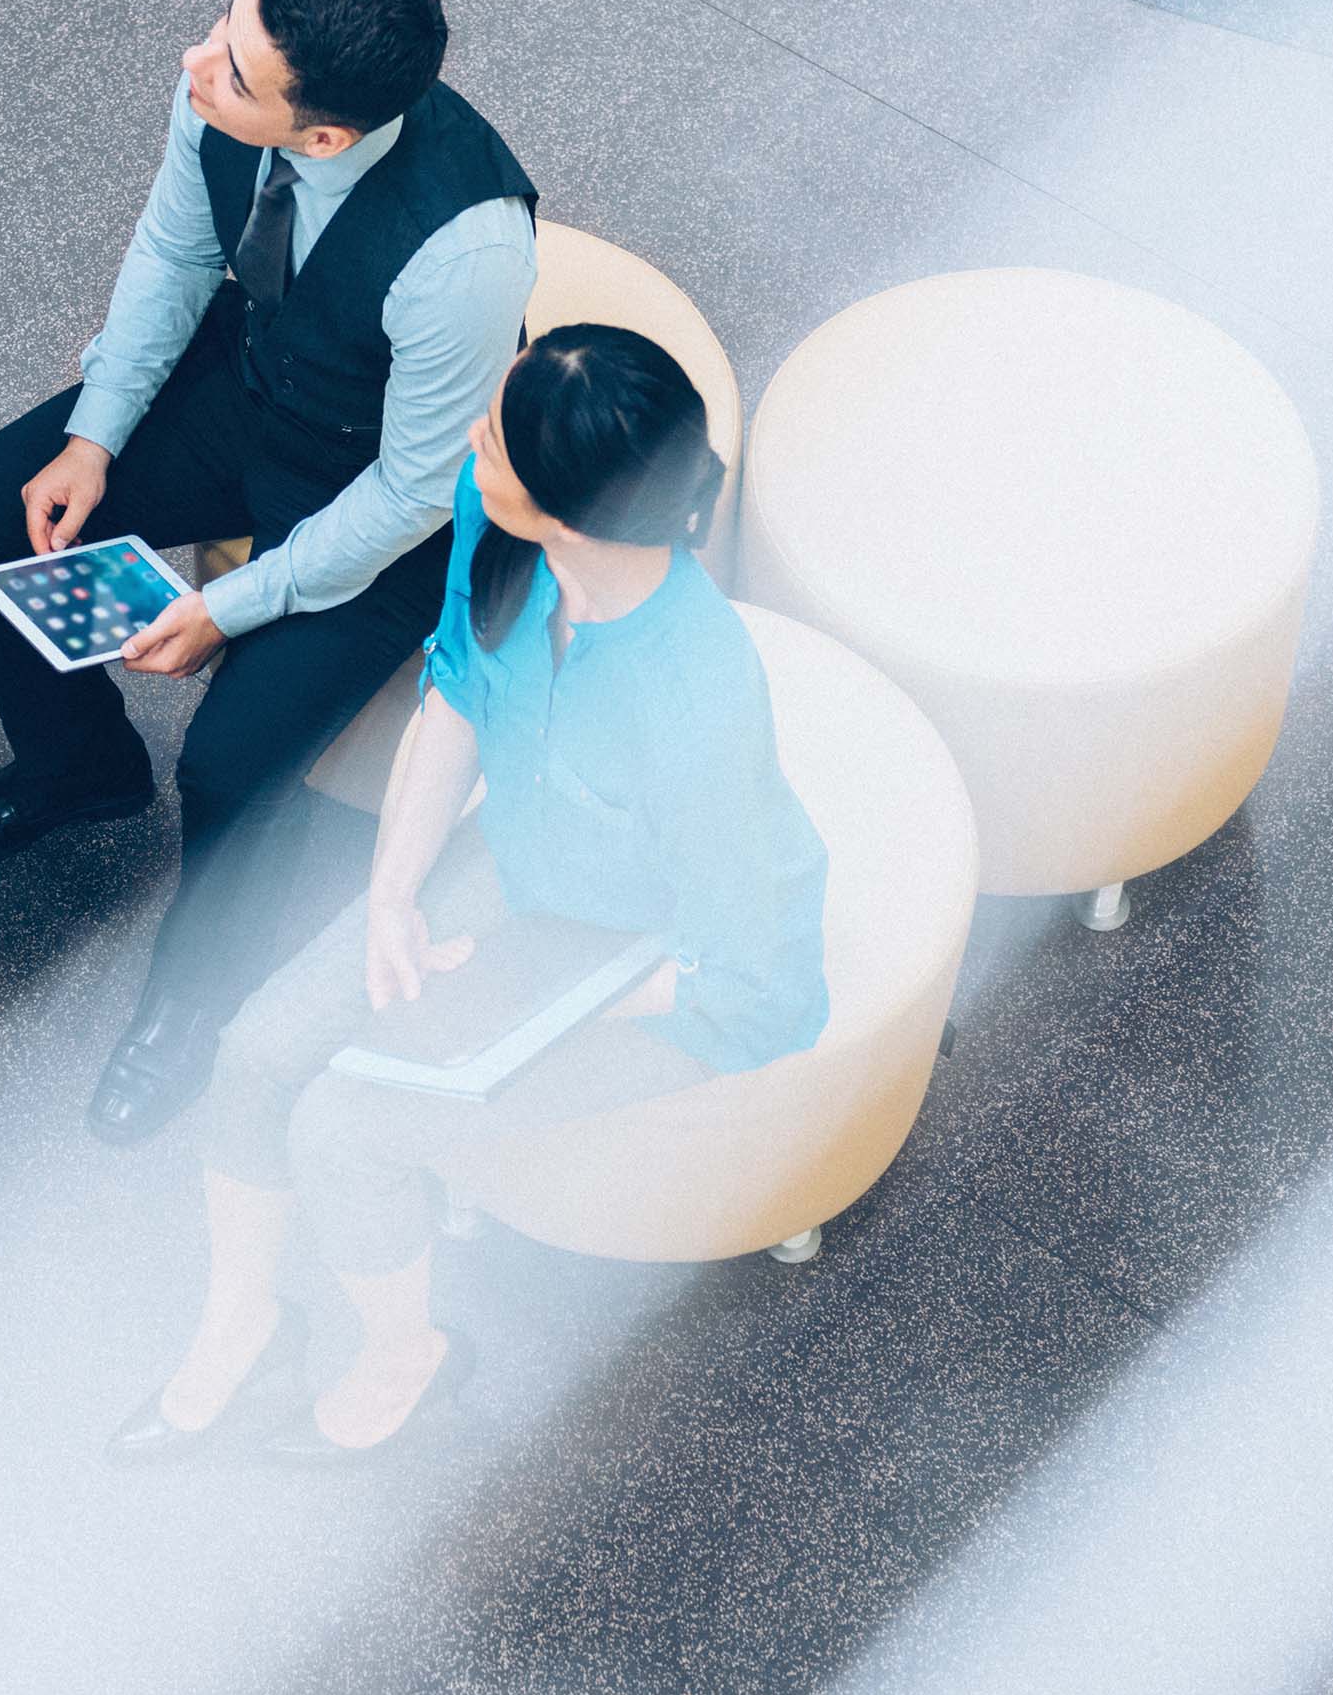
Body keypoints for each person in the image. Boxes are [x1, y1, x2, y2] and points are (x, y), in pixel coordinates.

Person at [114, 327, 831, 1463]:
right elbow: (457, 695)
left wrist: (504, 992)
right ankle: (244, 1326)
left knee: (347, 1128)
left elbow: (729, 958)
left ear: (571, 508)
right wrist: (396, 895)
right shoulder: (504, 534)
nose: (467, 442)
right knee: (256, 1051)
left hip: (662, 970)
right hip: (530, 866)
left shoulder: (694, 699)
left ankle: (411, 1355)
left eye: (493, 439)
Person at [0, 0, 537, 1145]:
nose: (197, 63)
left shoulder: (466, 250)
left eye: (236, 72)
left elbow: (414, 489)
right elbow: (177, 259)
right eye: (221, 30)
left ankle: (196, 1002)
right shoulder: (217, 87)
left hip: (371, 488)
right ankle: (78, 767)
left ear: (326, 137)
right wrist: (95, 438)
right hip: (249, 389)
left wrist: (229, 610)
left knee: (232, 766)